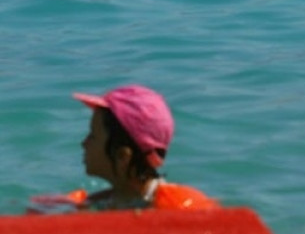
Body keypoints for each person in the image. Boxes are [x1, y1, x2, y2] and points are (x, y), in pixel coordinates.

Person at [31, 85, 219, 213]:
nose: (84, 143)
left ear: (122, 156)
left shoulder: (179, 205)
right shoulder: (101, 202)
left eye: (93, 136)